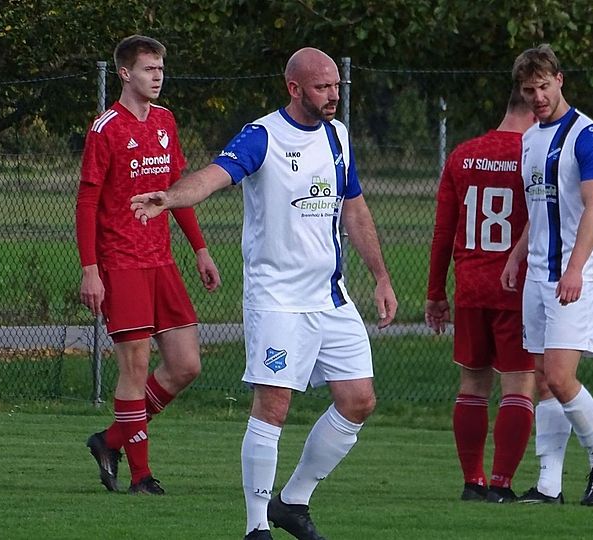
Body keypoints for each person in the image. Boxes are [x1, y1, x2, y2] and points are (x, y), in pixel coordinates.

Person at [130, 47, 397, 540]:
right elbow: (213, 177)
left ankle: (292, 502)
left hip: (331, 298)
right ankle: (256, 528)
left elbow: (354, 210)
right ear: (294, 88)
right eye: (322, 87)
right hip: (277, 300)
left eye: (337, 85)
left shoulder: (338, 136)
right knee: (273, 406)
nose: (333, 95)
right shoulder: (263, 135)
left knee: (359, 401)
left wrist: (380, 276)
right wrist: (169, 197)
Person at [75, 35, 221, 495]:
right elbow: (86, 201)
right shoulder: (106, 128)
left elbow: (174, 190)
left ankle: (112, 439)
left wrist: (199, 248)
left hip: (163, 261)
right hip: (121, 263)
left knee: (186, 365)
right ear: (125, 73)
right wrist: (90, 269)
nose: (157, 77)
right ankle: (141, 476)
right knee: (135, 368)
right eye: (148, 69)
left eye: (160, 68)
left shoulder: (165, 121)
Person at [501, 44, 593, 506]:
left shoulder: (588, 136)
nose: (537, 97)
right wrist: (516, 254)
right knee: (541, 377)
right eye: (529, 90)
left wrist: (573, 269)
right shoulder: (530, 138)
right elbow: (539, 205)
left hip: (578, 275)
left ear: (560, 80)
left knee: (560, 374)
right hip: (538, 275)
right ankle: (549, 485)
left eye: (543, 86)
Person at [425, 87, 537, 504]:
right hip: (517, 287)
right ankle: (501, 484)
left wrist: (436, 291)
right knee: (518, 387)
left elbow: (443, 231)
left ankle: (472, 482)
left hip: (470, 286)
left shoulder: (464, 154)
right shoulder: (533, 155)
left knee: (472, 385)